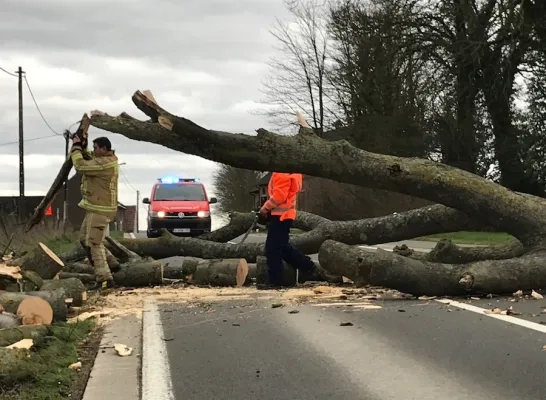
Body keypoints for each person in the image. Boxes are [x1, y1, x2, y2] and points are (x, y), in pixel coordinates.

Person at [70, 135, 119, 291]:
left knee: (93, 242)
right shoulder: (103, 159)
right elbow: (89, 156)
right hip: (95, 207)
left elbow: (80, 166)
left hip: (100, 209)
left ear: (104, 149)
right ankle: (113, 264)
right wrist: (82, 146)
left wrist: (76, 148)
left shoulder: (104, 164)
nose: (94, 150)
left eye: (96, 147)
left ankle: (105, 279)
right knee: (84, 239)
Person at [257, 172, 317, 289]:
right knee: (282, 247)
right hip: (283, 215)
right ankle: (307, 266)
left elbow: (279, 196)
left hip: (281, 216)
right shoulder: (285, 172)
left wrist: (265, 208)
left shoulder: (281, 173)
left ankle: (275, 281)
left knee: (272, 248)